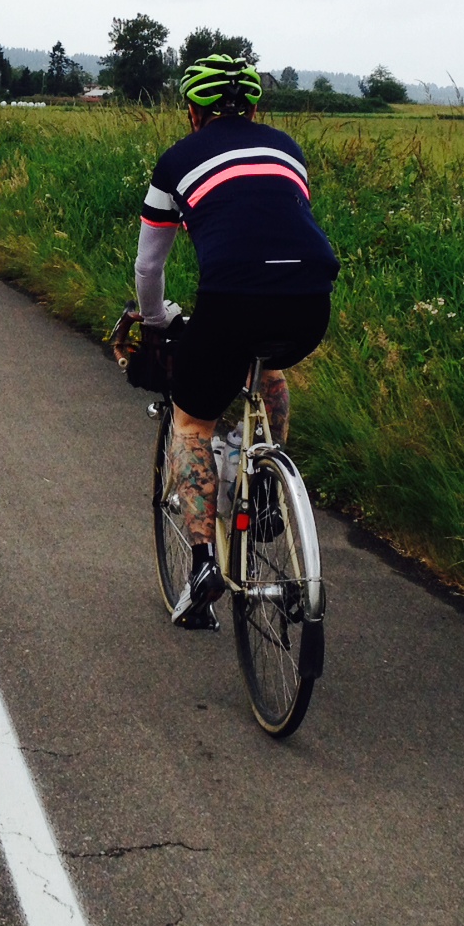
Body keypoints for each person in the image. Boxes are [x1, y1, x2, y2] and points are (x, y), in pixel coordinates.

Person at [120, 53, 339, 628]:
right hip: (312, 297)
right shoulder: (287, 148)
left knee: (193, 417)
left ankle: (200, 564)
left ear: (194, 110)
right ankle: (266, 483)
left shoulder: (176, 162)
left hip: (232, 297)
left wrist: (155, 325)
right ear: (255, 105)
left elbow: (149, 269)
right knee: (268, 368)